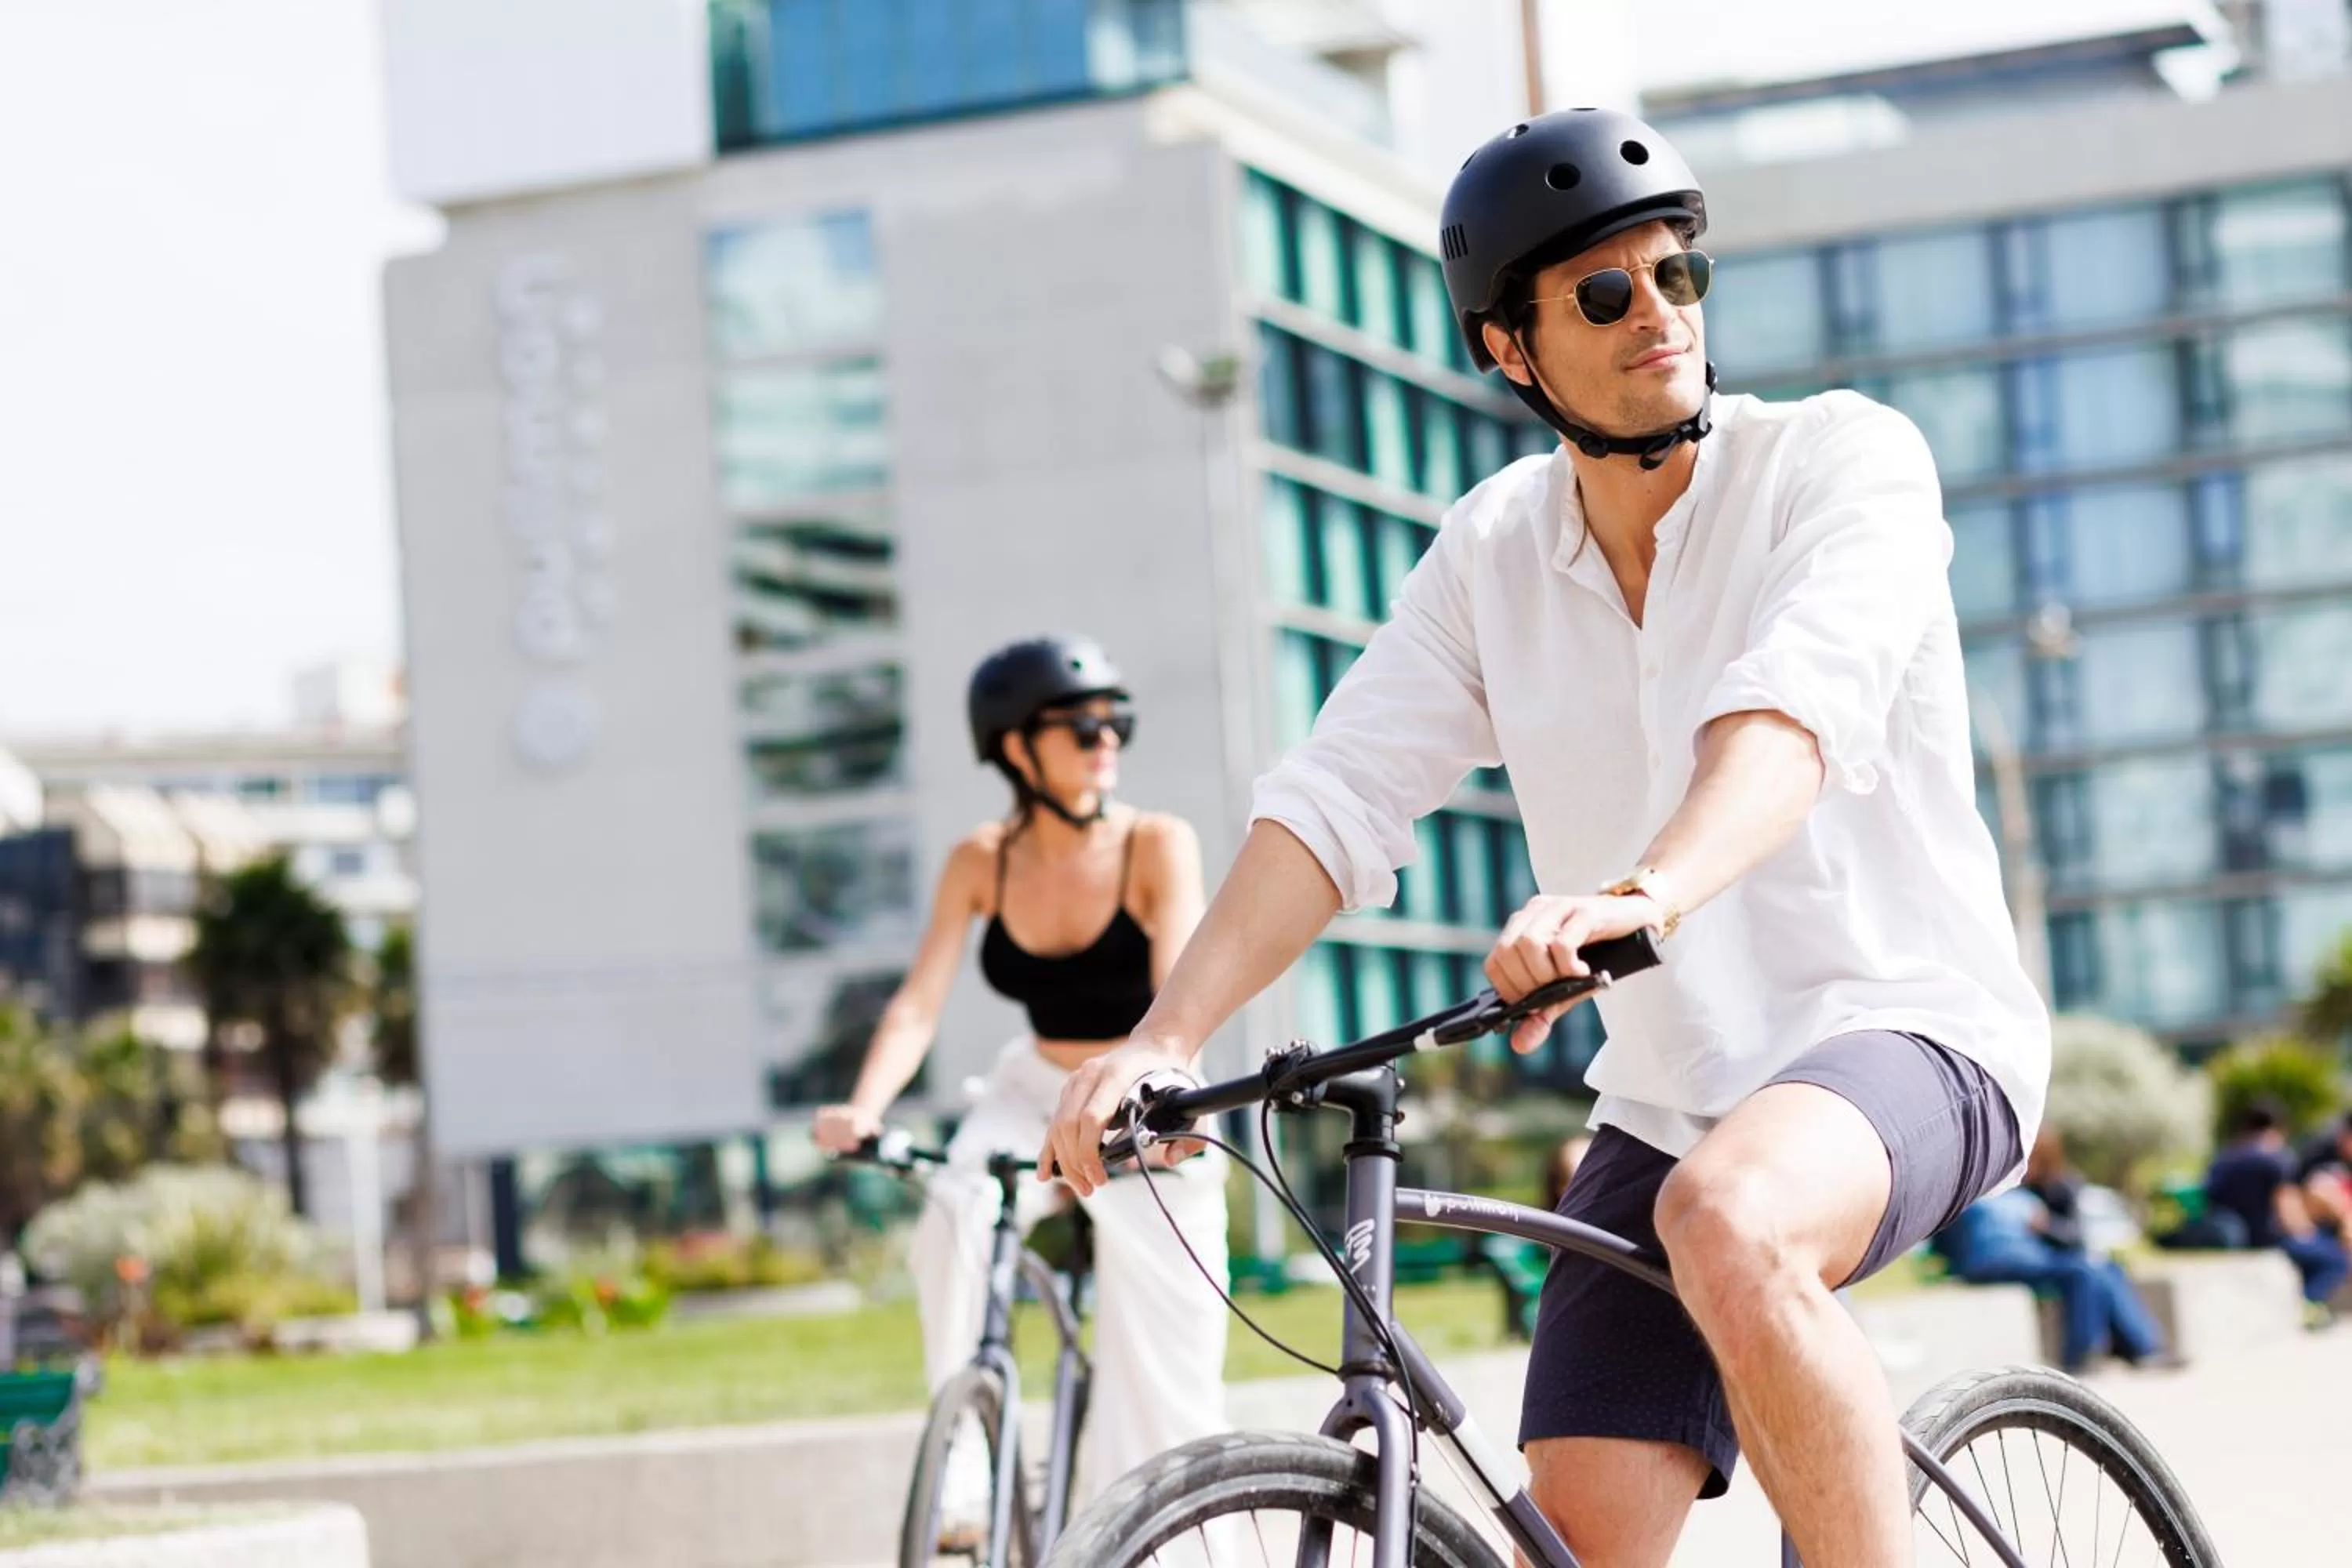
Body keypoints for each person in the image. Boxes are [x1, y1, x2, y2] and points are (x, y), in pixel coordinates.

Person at [1042, 106, 2049, 1567]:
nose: (1657, 314)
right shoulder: (1492, 556)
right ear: (1512, 351)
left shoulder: (1841, 464)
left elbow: (1790, 718)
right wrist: (1167, 1037)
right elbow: (1337, 795)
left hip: (1908, 1028)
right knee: (1571, 1543)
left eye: (1674, 275)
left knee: (1734, 1217)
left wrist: (1641, 893)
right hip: (1670, 1092)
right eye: (1601, 293)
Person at [811, 636, 1229, 1519]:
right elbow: (918, 1003)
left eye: (1117, 720)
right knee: (956, 1212)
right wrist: (864, 1106)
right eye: (1081, 724)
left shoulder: (1155, 843)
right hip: (1031, 1087)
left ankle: (1149, 1533)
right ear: (1014, 747)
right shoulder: (981, 859)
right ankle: (964, 1471)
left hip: (1147, 1089)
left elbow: (1182, 980)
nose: (1105, 736)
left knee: (1163, 1361)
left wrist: (1170, 1093)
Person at [1937, 1128, 2169, 1372]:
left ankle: (2141, 1348)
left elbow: (2073, 1236)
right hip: (2002, 1261)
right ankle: (2085, 1355)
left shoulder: (2054, 1189)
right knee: (2085, 1272)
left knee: (2105, 1268)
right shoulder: (1982, 1190)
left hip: (2036, 1257)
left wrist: (2046, 1227)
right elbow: (1951, 1238)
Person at [2204, 1098, 2349, 1325]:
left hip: (2233, 1235)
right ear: (2280, 1127)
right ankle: (2308, 1306)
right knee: (2335, 1259)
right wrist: (2306, 1232)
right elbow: (2286, 1204)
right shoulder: (2276, 1157)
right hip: (2269, 1237)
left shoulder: (2224, 1157)